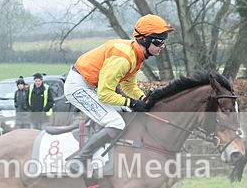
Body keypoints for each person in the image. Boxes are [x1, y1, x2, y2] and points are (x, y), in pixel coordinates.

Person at [63, 14, 173, 173]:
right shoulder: (124, 58)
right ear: (144, 40)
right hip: (78, 87)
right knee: (116, 123)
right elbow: (104, 94)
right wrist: (132, 103)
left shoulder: (136, 55)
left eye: (164, 41)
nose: (162, 46)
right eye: (159, 41)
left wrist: (144, 99)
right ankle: (79, 159)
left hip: (90, 86)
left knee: (126, 114)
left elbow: (129, 86)